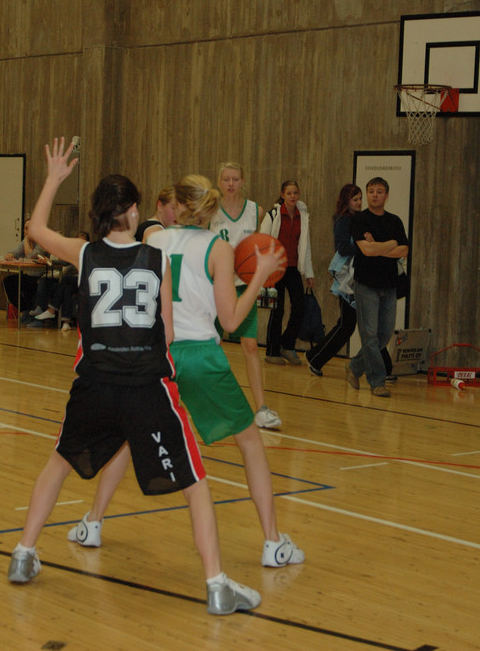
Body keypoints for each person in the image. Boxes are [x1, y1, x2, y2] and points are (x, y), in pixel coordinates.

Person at [8, 138, 261, 616]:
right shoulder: (155, 257)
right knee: (195, 482)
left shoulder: (85, 253)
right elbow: (167, 333)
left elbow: (36, 229)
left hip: (94, 384)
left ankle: (23, 554)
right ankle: (216, 585)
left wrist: (54, 178)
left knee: (58, 463)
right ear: (131, 212)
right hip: (147, 387)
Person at [65, 173, 303, 572]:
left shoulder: (154, 241)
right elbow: (230, 320)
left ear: (175, 205)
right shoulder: (218, 248)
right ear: (209, 208)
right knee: (250, 443)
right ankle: (273, 542)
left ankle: (93, 522)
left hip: (158, 354)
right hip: (200, 357)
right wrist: (259, 276)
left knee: (126, 440)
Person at [208, 162, 282, 428]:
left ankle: (261, 408)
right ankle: (212, 401)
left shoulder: (256, 210)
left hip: (244, 286)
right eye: (226, 179)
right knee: (211, 344)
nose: (231, 184)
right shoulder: (210, 209)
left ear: (243, 181)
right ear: (219, 182)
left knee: (250, 345)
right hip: (215, 286)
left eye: (235, 179)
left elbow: (258, 248)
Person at [346, 177, 408, 397]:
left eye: (379, 191)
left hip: (389, 285)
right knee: (370, 336)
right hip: (366, 285)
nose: (374, 195)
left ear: (386, 195)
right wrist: (391, 243)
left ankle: (355, 366)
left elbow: (404, 251)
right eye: (371, 191)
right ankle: (377, 381)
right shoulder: (360, 220)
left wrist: (378, 247)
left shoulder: (395, 221)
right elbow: (367, 251)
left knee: (384, 335)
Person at [304, 184, 362, 377]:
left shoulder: (356, 218)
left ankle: (315, 356)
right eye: (355, 199)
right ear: (346, 201)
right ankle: (315, 357)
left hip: (356, 278)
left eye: (360, 199)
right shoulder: (344, 220)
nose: (359, 202)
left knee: (361, 325)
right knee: (346, 326)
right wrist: (365, 247)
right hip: (347, 280)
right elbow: (343, 248)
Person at [261, 180, 314, 365]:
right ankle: (272, 351)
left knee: (299, 306)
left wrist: (309, 273)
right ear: (282, 194)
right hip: (275, 268)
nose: (292, 196)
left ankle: (287, 345)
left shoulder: (302, 216)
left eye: (295, 193)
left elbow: (305, 246)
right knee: (278, 309)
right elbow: (262, 243)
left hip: (292, 268)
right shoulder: (273, 215)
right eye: (289, 193)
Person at [28, 231, 90, 329]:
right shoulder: (71, 251)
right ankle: (66, 322)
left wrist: (52, 261)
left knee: (65, 280)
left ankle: (51, 310)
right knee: (66, 288)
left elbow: (68, 263)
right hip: (72, 282)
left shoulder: (87, 253)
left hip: (85, 282)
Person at [0, 219, 50, 321]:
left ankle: (32, 312)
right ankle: (24, 309)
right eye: (26, 229)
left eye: (29, 229)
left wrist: (26, 239)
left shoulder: (42, 242)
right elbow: (14, 252)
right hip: (29, 276)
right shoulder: (25, 242)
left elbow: (30, 256)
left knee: (29, 286)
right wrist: (10, 255)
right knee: (7, 282)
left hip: (41, 276)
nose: (27, 232)